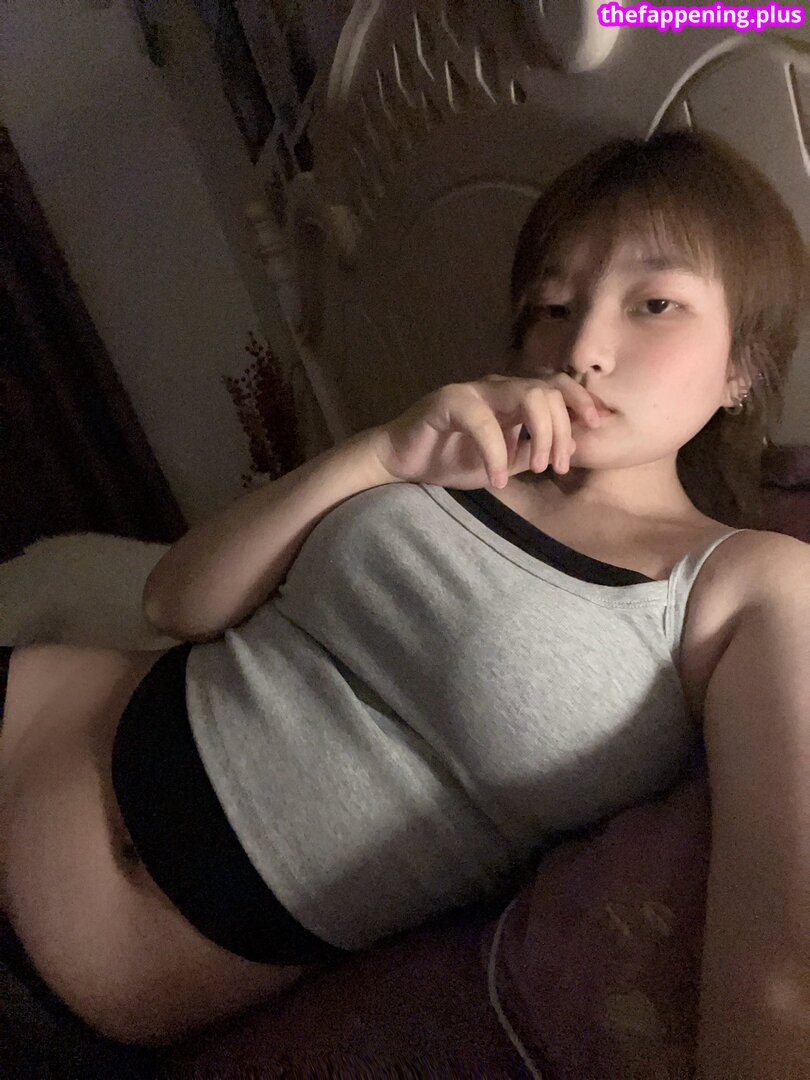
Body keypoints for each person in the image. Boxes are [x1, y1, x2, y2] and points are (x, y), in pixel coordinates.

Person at [1, 128, 808, 1076]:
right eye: (554, 306)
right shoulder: (451, 456)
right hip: (34, 720)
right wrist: (384, 450)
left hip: (76, 985)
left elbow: (779, 983)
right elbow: (177, 600)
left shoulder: (746, 581)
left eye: (655, 303)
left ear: (744, 365)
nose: (582, 348)